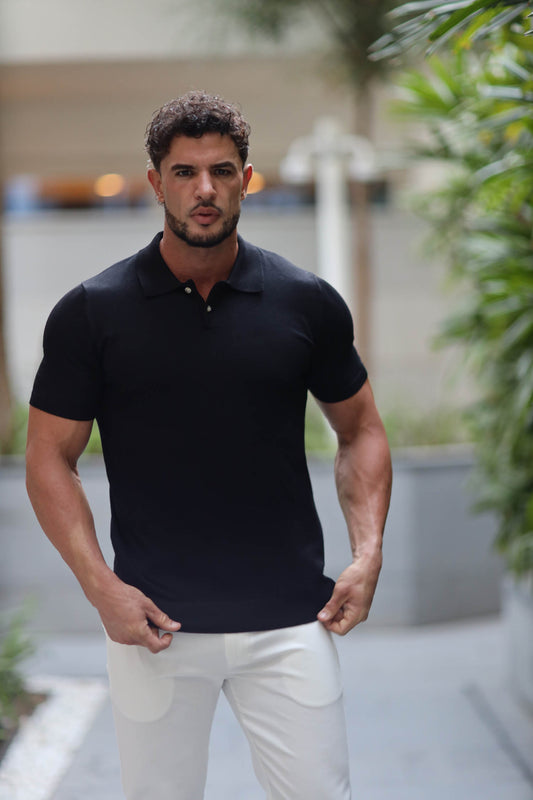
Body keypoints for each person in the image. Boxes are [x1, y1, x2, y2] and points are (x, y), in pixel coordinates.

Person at [26, 90, 392, 800]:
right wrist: (101, 588)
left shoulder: (305, 301)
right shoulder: (92, 312)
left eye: (222, 171)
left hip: (291, 622)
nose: (205, 189)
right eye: (185, 172)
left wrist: (368, 552)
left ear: (245, 180)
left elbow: (361, 429)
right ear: (155, 181)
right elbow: (48, 458)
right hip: (154, 627)